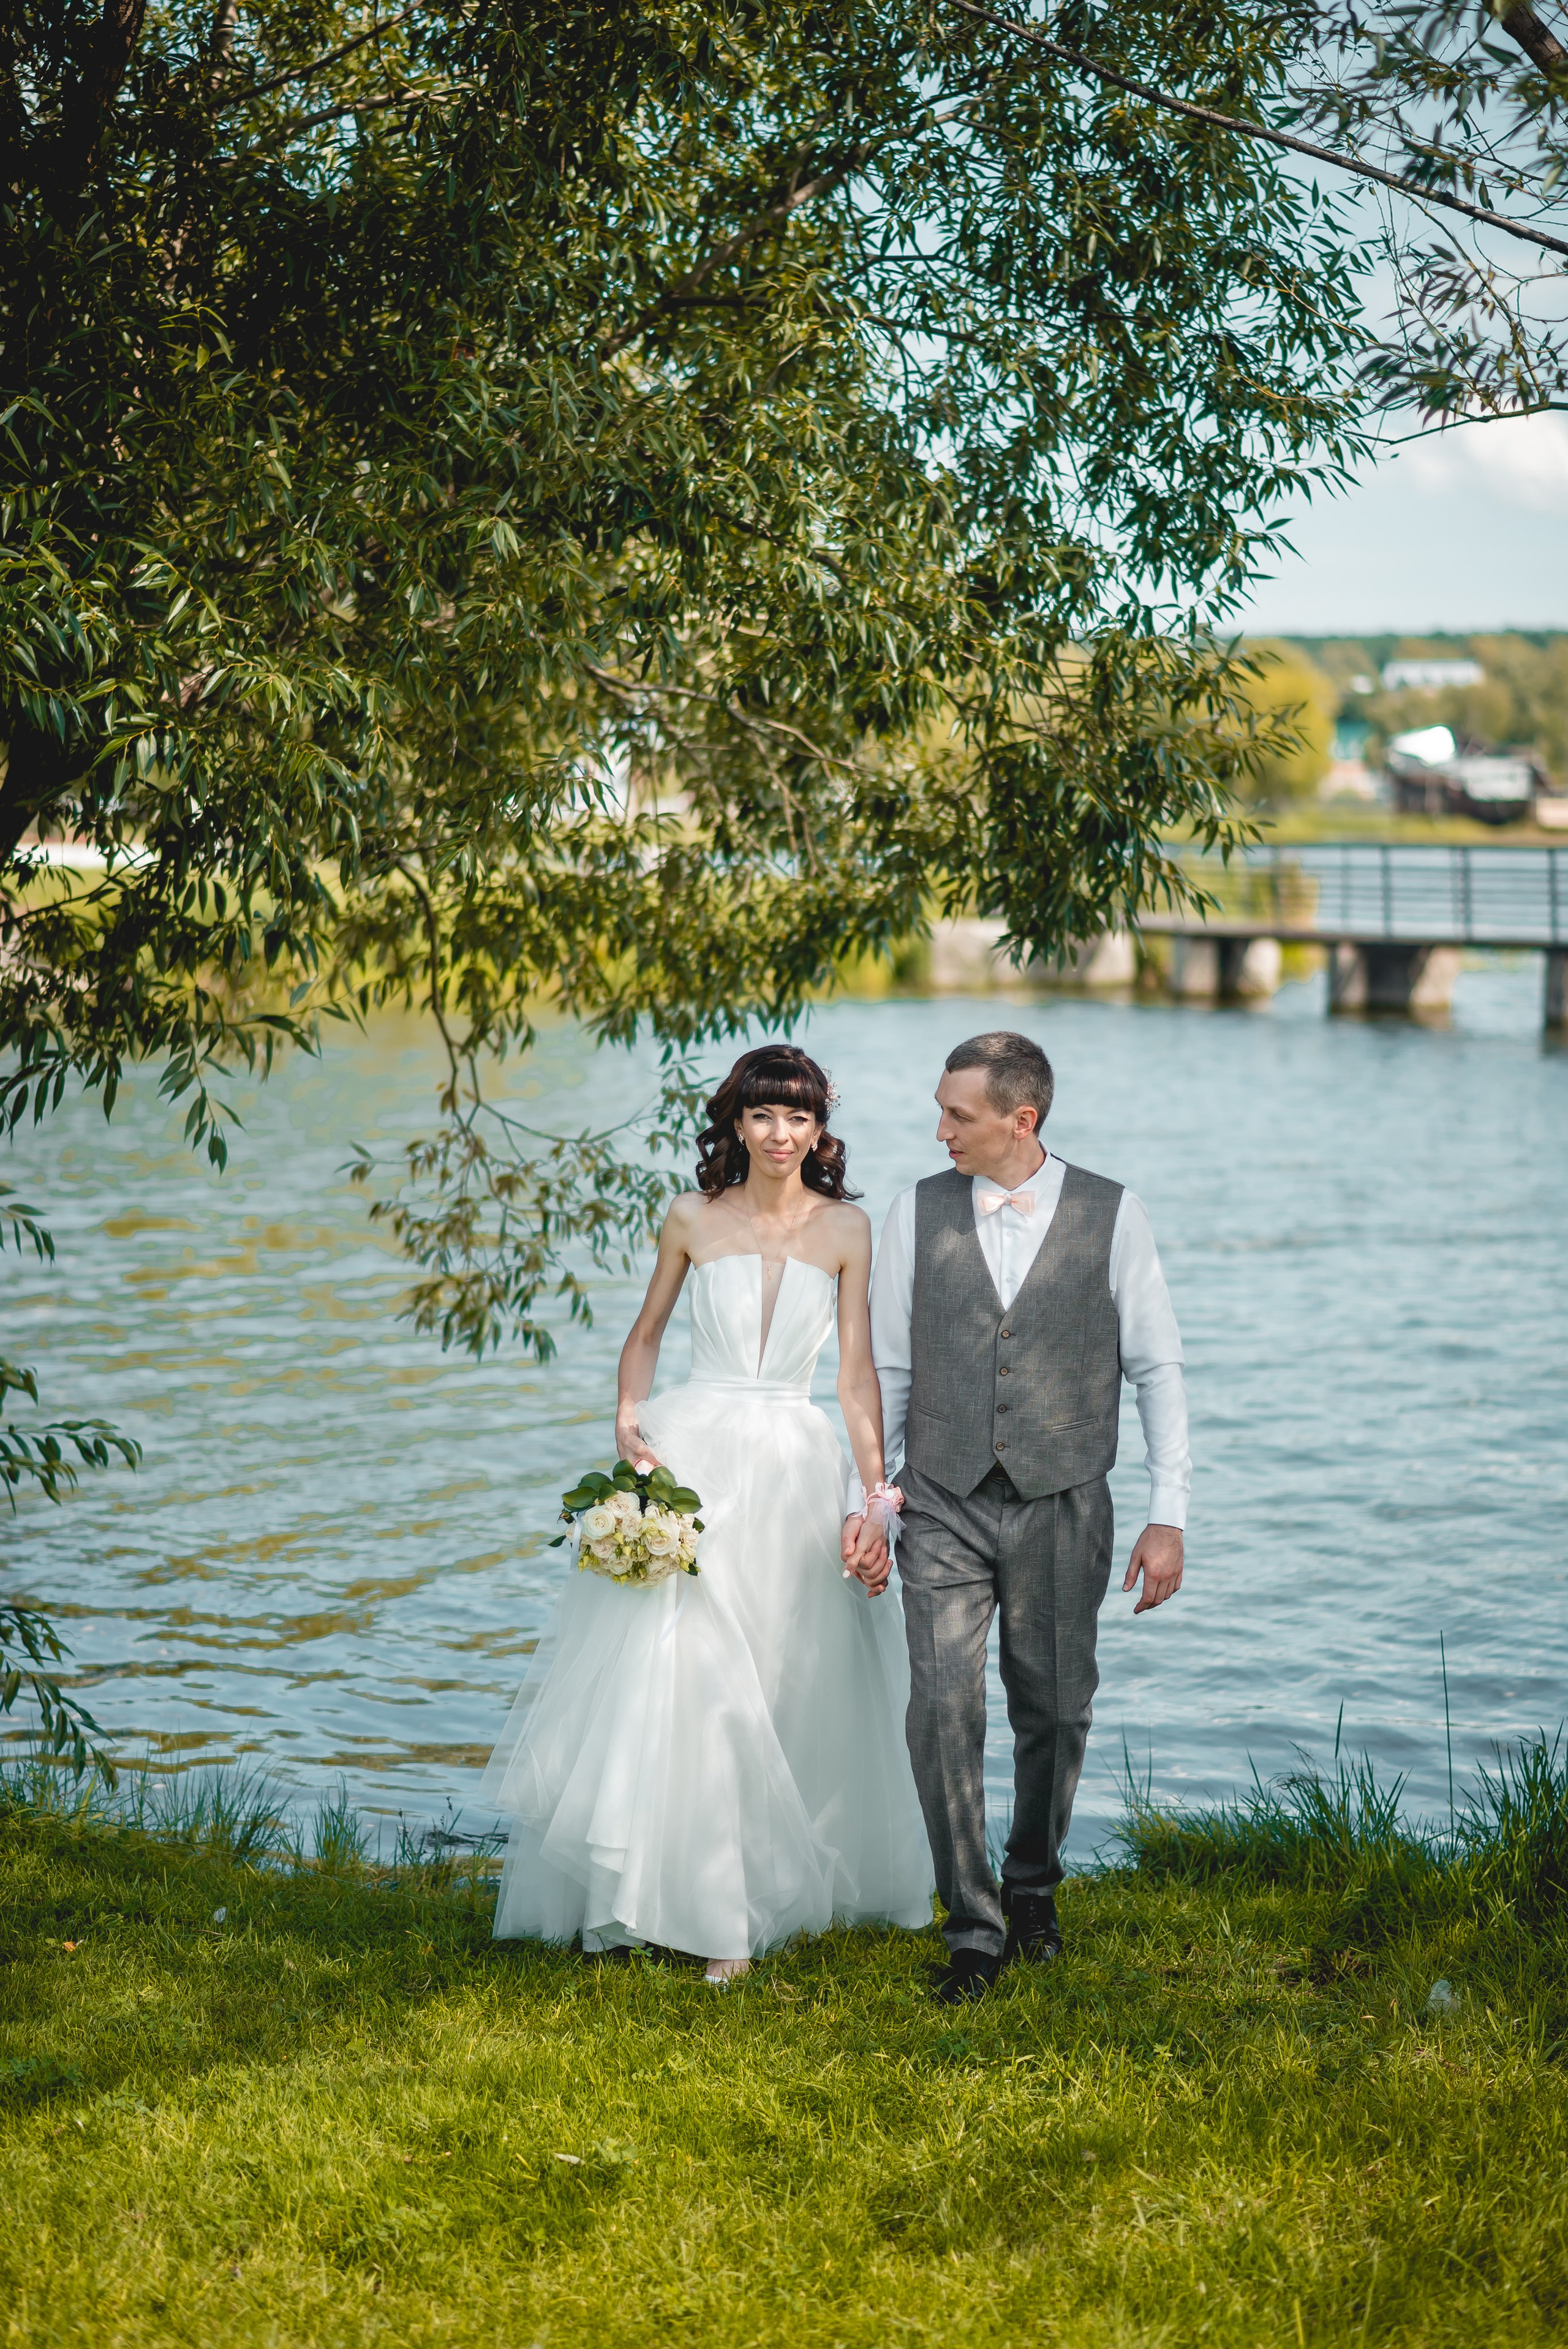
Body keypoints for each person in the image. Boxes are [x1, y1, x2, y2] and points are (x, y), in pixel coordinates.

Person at [482, 1044, 932, 1984]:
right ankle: (694, 1907)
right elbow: (646, 1334)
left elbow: (855, 1378)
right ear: (736, 1121)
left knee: (786, 1676)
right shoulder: (691, 1216)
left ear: (820, 1129)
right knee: (684, 1675)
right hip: (697, 1453)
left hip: (795, 1462)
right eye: (763, 1114)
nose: (781, 1134)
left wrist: (874, 1498)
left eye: (799, 1117)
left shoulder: (848, 1230)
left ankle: (765, 1885)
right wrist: (628, 1421)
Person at [843, 1030, 1189, 2004]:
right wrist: (871, 1505)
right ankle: (972, 1927)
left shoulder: (1113, 1214)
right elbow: (889, 1371)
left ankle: (1032, 1887)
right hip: (941, 1500)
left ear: (1020, 1120)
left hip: (1064, 1502)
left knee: (1056, 1707)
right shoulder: (914, 1211)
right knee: (942, 1707)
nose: (940, 1131)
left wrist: (1168, 1514)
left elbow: (1158, 1368)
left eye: (957, 1115)